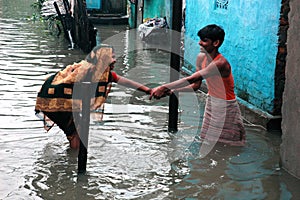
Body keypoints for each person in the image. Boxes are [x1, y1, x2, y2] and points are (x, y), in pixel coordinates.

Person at [35, 45, 152, 149]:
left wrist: (148, 90)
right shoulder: (87, 70)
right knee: (75, 133)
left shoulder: (100, 72)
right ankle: (74, 161)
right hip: (53, 101)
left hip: (58, 101)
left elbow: (123, 81)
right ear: (102, 58)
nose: (115, 60)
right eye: (112, 57)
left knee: (76, 131)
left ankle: (73, 159)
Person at [150, 24, 245, 146]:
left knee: (230, 143)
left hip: (226, 106)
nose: (200, 43)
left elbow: (192, 78)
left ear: (216, 43)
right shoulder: (201, 58)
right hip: (211, 102)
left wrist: (164, 87)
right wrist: (174, 91)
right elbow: (196, 86)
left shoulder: (221, 63)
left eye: (204, 41)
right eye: (200, 40)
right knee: (208, 139)